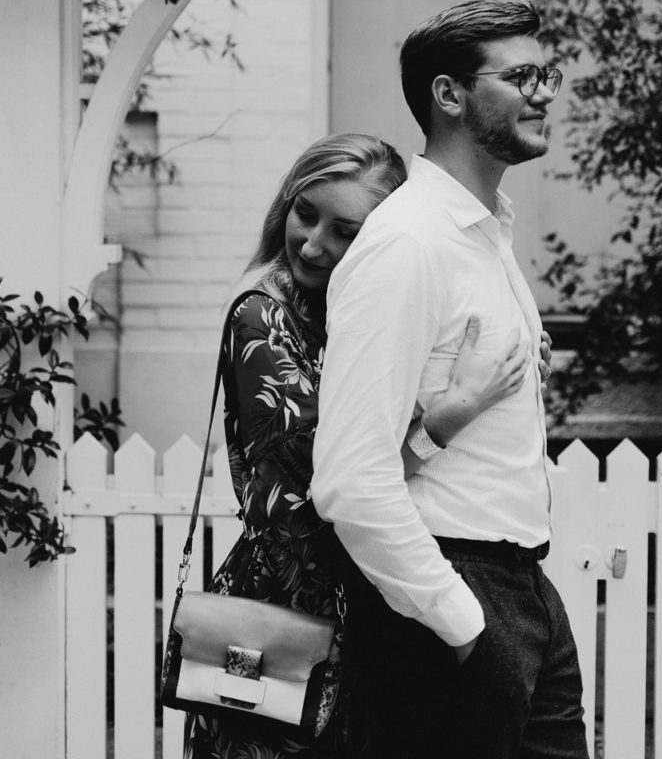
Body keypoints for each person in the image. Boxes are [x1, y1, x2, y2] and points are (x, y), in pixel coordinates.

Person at [184, 131, 542, 759]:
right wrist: (447, 418)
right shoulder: (262, 316)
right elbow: (319, 488)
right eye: (305, 213)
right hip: (292, 614)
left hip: (373, 606)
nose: (314, 244)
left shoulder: (362, 309)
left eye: (346, 232)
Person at [311, 1, 589, 759]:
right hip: (452, 598)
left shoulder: (485, 233)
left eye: (547, 74)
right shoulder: (407, 244)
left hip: (522, 584)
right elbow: (349, 479)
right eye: (522, 76)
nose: (544, 93)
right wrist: (461, 621)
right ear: (449, 95)